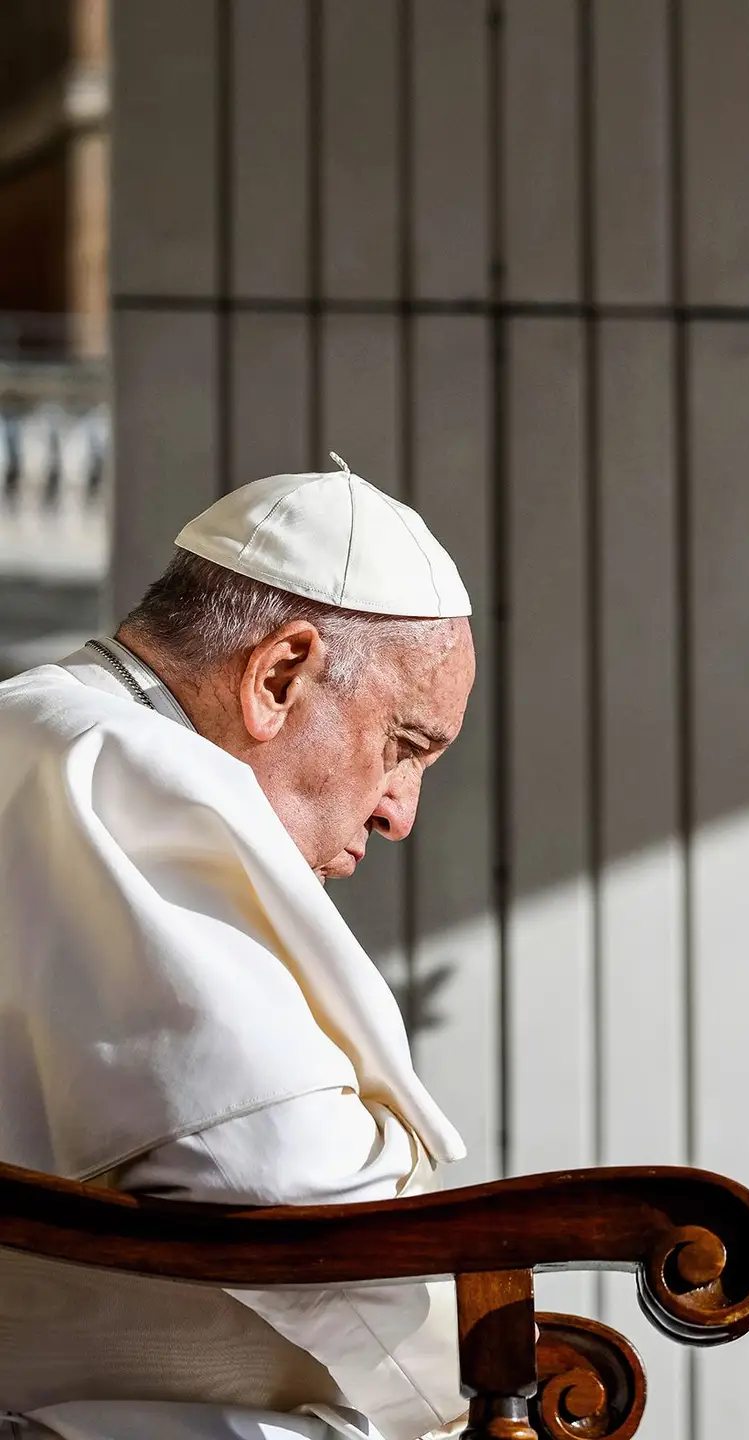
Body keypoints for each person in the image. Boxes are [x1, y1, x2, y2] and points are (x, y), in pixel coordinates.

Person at [0, 456, 476, 1440]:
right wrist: (457, 1393)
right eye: (403, 746)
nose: (398, 814)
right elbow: (290, 1180)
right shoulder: (118, 767)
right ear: (279, 674)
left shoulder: (41, 728)